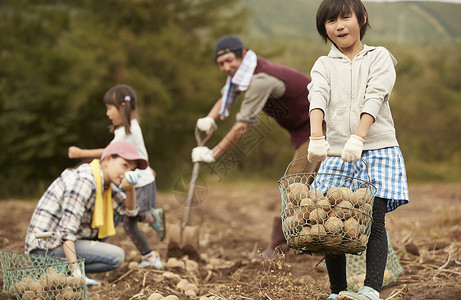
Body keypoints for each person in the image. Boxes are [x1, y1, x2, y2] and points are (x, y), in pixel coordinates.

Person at [307, 0, 410, 299]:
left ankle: (370, 290)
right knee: (330, 220)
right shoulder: (323, 64)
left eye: (345, 17)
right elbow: (318, 96)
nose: (339, 25)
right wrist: (317, 137)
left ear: (361, 18)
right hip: (338, 152)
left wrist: (359, 137)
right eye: (331, 21)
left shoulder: (379, 57)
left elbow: (375, 96)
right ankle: (338, 291)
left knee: (372, 218)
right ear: (324, 28)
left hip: (376, 147)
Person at [191, 35, 322, 258]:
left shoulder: (260, 79)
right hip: (304, 129)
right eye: (221, 64)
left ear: (242, 54)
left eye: (229, 61)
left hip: (321, 127)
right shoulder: (244, 72)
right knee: (311, 184)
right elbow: (226, 96)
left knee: (294, 183)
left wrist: (214, 154)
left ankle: (281, 247)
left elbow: (242, 127)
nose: (225, 67)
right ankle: (311, 239)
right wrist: (210, 118)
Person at [25, 140, 149, 285]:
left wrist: (129, 189)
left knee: (116, 214)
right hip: (44, 250)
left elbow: (130, 211)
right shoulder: (85, 180)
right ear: (108, 159)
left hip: (60, 244)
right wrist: (77, 273)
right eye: (125, 165)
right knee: (116, 256)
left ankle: (63, 273)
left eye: (132, 170)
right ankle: (68, 273)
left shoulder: (105, 184)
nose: (127, 173)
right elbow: (66, 233)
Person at [68, 84, 164, 269]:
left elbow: (110, 152)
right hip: (139, 180)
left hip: (139, 183)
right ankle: (150, 217)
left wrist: (80, 153)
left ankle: (150, 258)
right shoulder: (125, 129)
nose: (107, 113)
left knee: (129, 224)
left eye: (109, 108)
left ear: (122, 106)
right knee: (125, 214)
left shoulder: (130, 130)